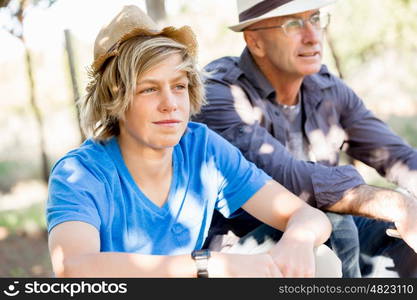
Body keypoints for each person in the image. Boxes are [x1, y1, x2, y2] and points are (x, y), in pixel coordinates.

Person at [46, 5, 341, 278]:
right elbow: (74, 268)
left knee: (319, 257)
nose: (170, 103)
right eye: (149, 89)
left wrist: (297, 240)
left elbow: (308, 216)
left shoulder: (202, 148)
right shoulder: (80, 172)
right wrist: (207, 264)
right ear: (114, 99)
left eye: (179, 86)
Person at [193, 0, 417, 277]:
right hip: (240, 249)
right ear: (255, 41)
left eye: (314, 18)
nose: (312, 36)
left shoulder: (326, 88)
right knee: (333, 220)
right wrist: (397, 204)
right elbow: (290, 179)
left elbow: (400, 158)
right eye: (293, 24)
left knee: (400, 232)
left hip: (322, 236)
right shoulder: (219, 94)